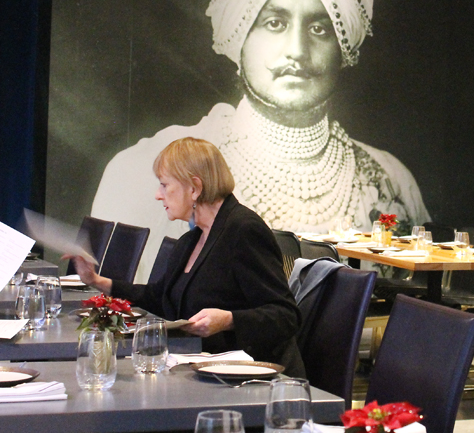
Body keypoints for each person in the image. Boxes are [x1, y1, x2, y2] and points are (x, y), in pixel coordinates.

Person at [91, 0, 429, 283]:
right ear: (240, 34)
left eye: (320, 28)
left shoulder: (392, 180)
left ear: (345, 43)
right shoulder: (148, 170)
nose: (297, 50)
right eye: (274, 22)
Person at [70, 137, 305, 377]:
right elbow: (159, 297)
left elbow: (286, 315)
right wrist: (96, 280)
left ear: (194, 188)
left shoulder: (244, 231)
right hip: (206, 373)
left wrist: (229, 319)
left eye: (164, 185)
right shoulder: (191, 240)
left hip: (253, 381)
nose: (158, 195)